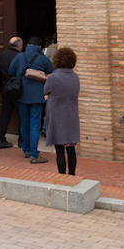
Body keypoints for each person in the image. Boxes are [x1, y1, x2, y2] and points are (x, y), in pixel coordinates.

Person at [8, 36, 53, 164]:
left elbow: (11, 71)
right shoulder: (42, 59)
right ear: (40, 47)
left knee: (24, 123)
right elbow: (51, 73)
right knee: (34, 124)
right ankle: (34, 154)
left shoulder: (19, 56)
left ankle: (26, 149)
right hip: (37, 97)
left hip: (21, 95)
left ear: (28, 44)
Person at [44, 46, 81, 175]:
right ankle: (72, 174)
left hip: (57, 116)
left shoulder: (53, 77)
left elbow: (46, 91)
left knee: (59, 149)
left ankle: (62, 175)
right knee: (71, 149)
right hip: (71, 115)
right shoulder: (75, 77)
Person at [0, 36, 22, 149]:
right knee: (22, 115)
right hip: (17, 90)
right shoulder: (20, 56)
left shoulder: (3, 54)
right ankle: (22, 140)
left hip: (5, 89)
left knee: (5, 115)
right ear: (19, 46)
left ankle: (0, 139)